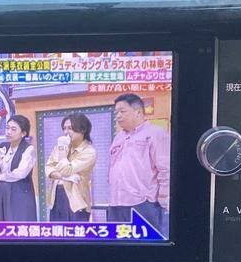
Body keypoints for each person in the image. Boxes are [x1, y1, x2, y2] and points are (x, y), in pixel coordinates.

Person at [108, 93, 170, 229]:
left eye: (122, 111)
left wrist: (164, 199)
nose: (118, 116)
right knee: (114, 242)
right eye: (116, 112)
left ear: (138, 112)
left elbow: (165, 169)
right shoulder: (118, 137)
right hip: (116, 204)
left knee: (145, 241)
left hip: (143, 204)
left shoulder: (155, 133)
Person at [45, 113, 97, 222]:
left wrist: (62, 152)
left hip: (77, 200)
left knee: (76, 232)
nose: (66, 132)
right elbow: (48, 167)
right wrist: (64, 177)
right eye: (64, 128)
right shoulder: (61, 146)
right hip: (57, 196)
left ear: (82, 129)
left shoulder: (89, 151)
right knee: (57, 231)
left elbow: (66, 170)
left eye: (70, 128)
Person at [0, 115, 37, 221]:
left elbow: (20, 173)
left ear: (23, 133)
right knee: (1, 223)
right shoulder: (2, 146)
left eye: (13, 129)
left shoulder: (28, 149)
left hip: (19, 192)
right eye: (7, 128)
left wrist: (2, 176)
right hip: (1, 191)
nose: (8, 132)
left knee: (18, 222)